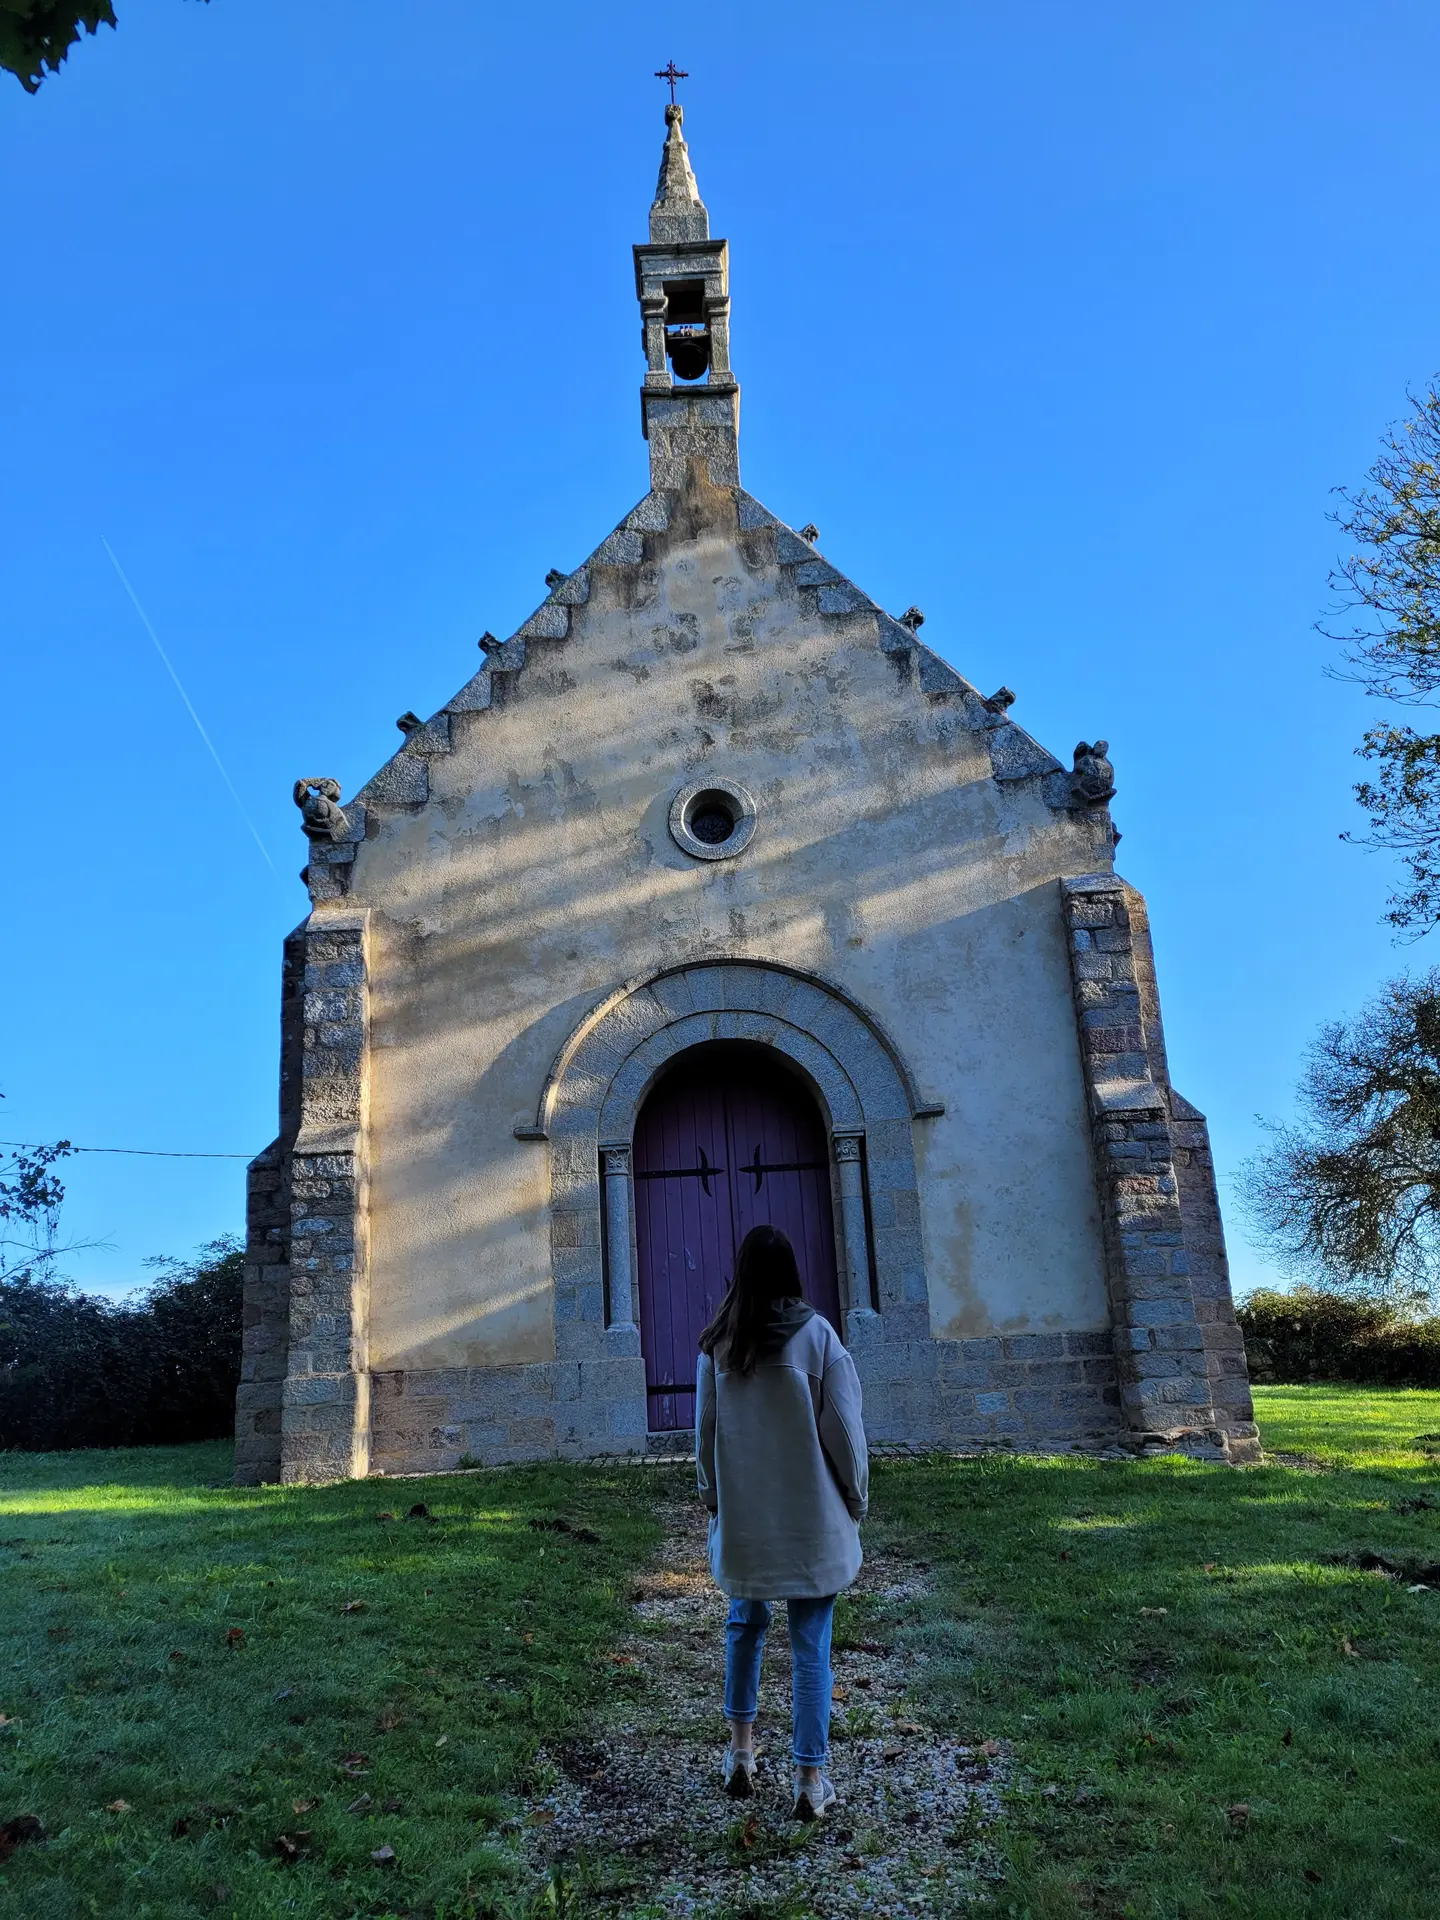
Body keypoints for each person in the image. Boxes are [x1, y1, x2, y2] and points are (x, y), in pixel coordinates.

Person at [695, 1223, 869, 1822]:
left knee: (744, 1622)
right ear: (792, 1272)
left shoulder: (719, 1346)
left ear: (740, 1275)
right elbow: (845, 1434)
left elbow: (706, 1436)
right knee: (810, 1643)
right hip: (810, 1517)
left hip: (747, 1518)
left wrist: (714, 1501)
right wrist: (855, 1499)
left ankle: (741, 1753)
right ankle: (810, 1779)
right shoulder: (818, 1339)